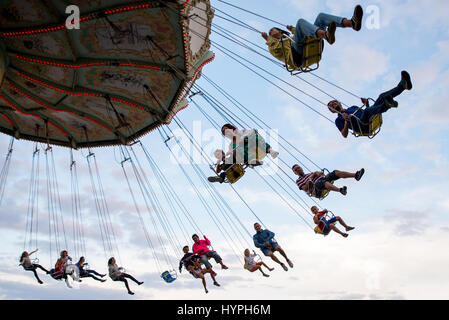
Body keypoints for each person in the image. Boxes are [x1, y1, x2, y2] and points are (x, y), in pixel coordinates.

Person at [261, 5, 363, 70]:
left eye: (272, 29)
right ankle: (325, 35)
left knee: (321, 17)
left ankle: (351, 23)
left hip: (309, 46)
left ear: (279, 30)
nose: (270, 31)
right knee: (300, 22)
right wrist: (268, 39)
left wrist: (292, 28)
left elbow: (302, 31)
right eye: (270, 32)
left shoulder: (289, 37)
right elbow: (276, 49)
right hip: (296, 57)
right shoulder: (273, 46)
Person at [328, 71, 413, 138]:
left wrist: (366, 104)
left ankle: (402, 86)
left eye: (334, 102)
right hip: (364, 127)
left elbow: (367, 112)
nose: (333, 104)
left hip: (368, 118)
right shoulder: (338, 120)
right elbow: (344, 135)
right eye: (331, 106)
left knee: (381, 96)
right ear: (332, 111)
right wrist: (346, 121)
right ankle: (387, 105)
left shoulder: (353, 107)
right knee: (368, 111)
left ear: (339, 103)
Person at [292, 164, 365, 197]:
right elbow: (305, 188)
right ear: (295, 173)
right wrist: (313, 176)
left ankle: (355, 175)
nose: (298, 169)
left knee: (335, 172)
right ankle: (340, 190)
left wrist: (318, 173)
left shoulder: (309, 173)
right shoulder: (298, 181)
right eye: (296, 170)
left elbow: (320, 175)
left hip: (321, 180)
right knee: (322, 182)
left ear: (301, 168)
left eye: (298, 168)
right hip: (315, 189)